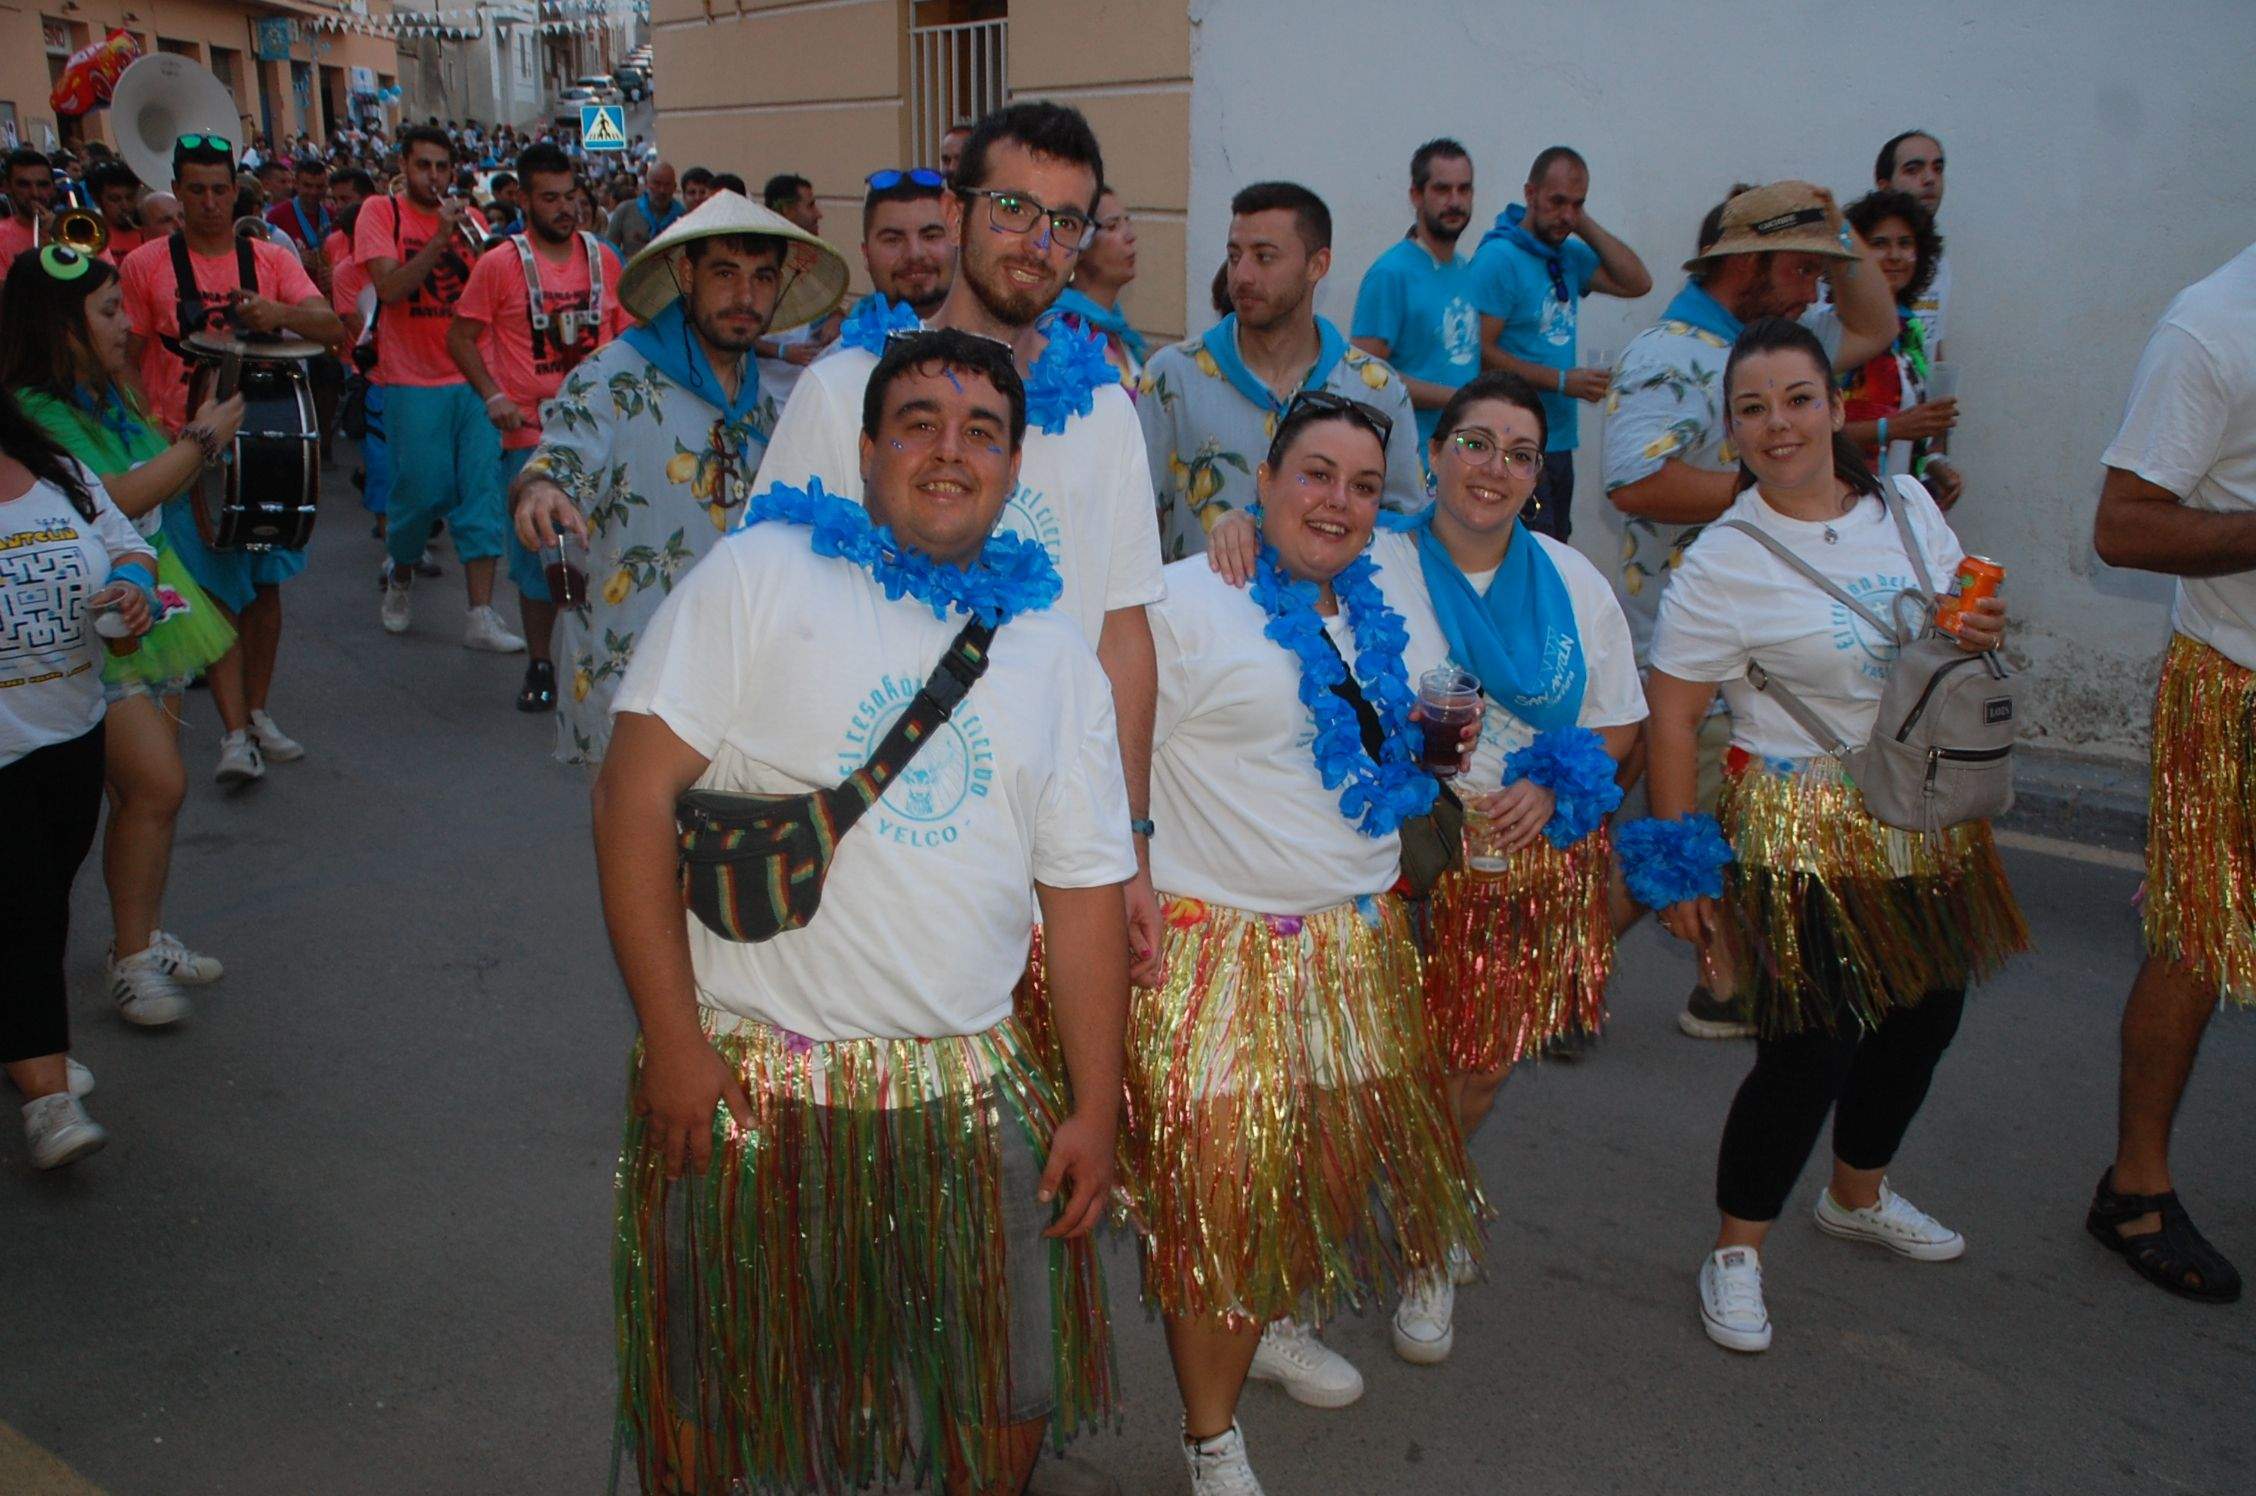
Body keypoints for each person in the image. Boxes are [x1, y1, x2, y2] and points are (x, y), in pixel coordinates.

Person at [598, 329, 1130, 1495]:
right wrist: (676, 1043)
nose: (951, 450)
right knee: (707, 1406)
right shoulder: (760, 577)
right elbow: (634, 797)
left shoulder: (1051, 656)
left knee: (1002, 1412)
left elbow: (1084, 895)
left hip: (967, 1094)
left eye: (983, 430)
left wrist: (1095, 1101)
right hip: (745, 1086)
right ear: (867, 447)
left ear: (1013, 465)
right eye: (922, 422)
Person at [1640, 316, 2025, 1353]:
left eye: (1797, 399)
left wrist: (1975, 626)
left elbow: (1950, 627)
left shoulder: (1903, 506)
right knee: (1807, 1047)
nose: (1779, 424)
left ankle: (1856, 1192)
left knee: (1926, 1013)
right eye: (1753, 408)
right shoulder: (1721, 560)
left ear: (1837, 407)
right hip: (1799, 825)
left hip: (1923, 809)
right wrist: (1682, 870)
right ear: (1733, 430)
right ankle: (1736, 1248)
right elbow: (1673, 716)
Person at [753, 100, 1167, 1053]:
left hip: (1051, 847)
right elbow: (773, 609)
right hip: (888, 854)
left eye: (1067, 221)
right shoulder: (844, 389)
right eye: (1015, 207)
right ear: (957, 204)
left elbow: (1122, 636)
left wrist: (1132, 845)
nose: (1039, 242)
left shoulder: (1104, 416)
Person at [1130, 391, 1483, 1493]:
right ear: (1267, 479)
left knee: (1324, 1177)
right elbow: (1107, 772)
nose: (1337, 500)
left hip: (1357, 944)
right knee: (1223, 1203)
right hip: (1216, 949)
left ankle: (1273, 1322)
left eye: (1364, 484)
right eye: (1316, 473)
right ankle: (1208, 1431)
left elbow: (1420, 753)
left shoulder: (1389, 607)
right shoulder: (1186, 600)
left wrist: (1450, 762)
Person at [1378, 371, 1644, 1359]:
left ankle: (1424, 1226)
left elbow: (1619, 716)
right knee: (1376, 1063)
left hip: (1520, 855)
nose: (1494, 467)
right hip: (1392, 849)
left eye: (1519, 452)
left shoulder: (1574, 581)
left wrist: (1551, 779)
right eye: (1476, 442)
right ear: (1436, 452)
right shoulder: (1377, 556)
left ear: (1538, 474)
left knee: (1478, 1064)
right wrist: (1236, 533)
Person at [1603, 181, 1896, 1040]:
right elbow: (1634, 480)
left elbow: (1874, 326)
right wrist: (1778, 476)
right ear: (1745, 265)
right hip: (1700, 657)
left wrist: (1834, 225)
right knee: (1675, 841)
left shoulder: (1772, 349)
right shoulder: (1671, 352)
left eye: (1822, 270)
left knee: (1707, 843)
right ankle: (1547, 991)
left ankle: (1725, 985)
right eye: (1803, 268)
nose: (1818, 288)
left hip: (1767, 658)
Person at [511, 190, 846, 764]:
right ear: (686, 274)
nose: (745, 296)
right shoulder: (612, 380)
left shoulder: (764, 407)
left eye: (763, 278)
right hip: (631, 693)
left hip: (733, 699)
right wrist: (541, 493)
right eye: (725, 273)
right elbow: (555, 467)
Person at [1, 245, 242, 1027]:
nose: (125, 322)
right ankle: (128, 963)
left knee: (144, 796)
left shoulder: (108, 392)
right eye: (106, 311)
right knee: (156, 785)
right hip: (88, 625)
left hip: (147, 603)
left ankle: (135, 941)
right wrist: (200, 443)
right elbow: (107, 498)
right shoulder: (32, 412)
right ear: (58, 324)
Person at [2086, 241, 2256, 1305]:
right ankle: (2134, 1185)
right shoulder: (2215, 325)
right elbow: (2123, 524)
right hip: (2236, 687)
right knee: (2200, 933)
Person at [118, 131, 342, 785]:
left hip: (264, 445)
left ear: (234, 192)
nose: (211, 203)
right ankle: (234, 733)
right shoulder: (145, 265)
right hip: (184, 447)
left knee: (264, 587)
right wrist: (148, 435)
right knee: (212, 589)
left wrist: (279, 312)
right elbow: (127, 359)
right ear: (177, 192)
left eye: (221, 190)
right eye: (197, 190)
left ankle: (258, 710)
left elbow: (331, 326)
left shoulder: (267, 258)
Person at [0, 377, 155, 1169]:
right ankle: (46, 1095)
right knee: (23, 910)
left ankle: (23, 1035)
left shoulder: (53, 466)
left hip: (70, 730)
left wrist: (130, 587)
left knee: (45, 899)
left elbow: (127, 542)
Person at [1141, 181, 1422, 563]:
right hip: (1198, 620)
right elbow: (1135, 526)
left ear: (1317, 265)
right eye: (1235, 255)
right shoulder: (1171, 378)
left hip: (1331, 620)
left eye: (1265, 257)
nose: (1241, 276)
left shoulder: (1377, 389)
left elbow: (1406, 533)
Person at [449, 142, 629, 715]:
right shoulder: (499, 264)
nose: (564, 208)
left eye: (571, 195)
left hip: (602, 428)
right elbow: (459, 337)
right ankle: (541, 662)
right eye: (549, 198)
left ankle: (601, 659)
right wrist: (494, 394)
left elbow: (627, 338)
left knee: (603, 548)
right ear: (522, 199)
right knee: (538, 558)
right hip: (530, 435)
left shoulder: (605, 259)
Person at [356, 124, 521, 649]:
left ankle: (480, 615)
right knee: (421, 493)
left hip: (471, 373)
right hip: (411, 377)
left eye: (442, 167)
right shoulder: (381, 214)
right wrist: (440, 238)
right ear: (404, 166)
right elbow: (391, 288)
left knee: (480, 495)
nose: (433, 177)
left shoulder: (471, 220)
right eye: (423, 165)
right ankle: (400, 572)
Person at [1469, 145, 1654, 540]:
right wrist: (1560, 381)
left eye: (1577, 204)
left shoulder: (1566, 254)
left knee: (1555, 554)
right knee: (1523, 559)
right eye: (1556, 201)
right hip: (1509, 440)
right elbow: (1480, 352)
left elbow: (1637, 282)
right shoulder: (1499, 258)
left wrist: (1580, 223)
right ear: (1530, 194)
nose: (1566, 214)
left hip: (1557, 440)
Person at [1351, 138, 1481, 449]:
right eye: (1442, 189)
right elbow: (1364, 376)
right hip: (1409, 458)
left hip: (1462, 454)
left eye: (1464, 189)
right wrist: (1460, 399)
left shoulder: (1466, 270)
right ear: (1415, 195)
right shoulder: (1390, 274)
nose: (1455, 201)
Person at [1836, 190, 1962, 499]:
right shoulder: (1838, 328)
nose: (1894, 255)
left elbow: (1911, 428)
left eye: (1905, 244)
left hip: (1897, 508)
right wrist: (1889, 430)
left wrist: (1934, 465)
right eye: (1879, 244)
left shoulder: (1911, 329)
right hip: (1847, 502)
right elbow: (1812, 433)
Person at [752, 172, 835, 406]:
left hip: (801, 396)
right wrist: (781, 352)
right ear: (787, 211)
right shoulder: (757, 262)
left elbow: (827, 304)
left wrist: (837, 318)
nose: (818, 214)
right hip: (765, 399)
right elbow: (738, 336)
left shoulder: (808, 259)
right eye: (810, 205)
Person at [1052, 184, 1141, 388]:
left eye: (1128, 222)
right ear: (1079, 245)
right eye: (1112, 226)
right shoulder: (1060, 335)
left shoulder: (1118, 331)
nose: (1130, 236)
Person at [844, 166, 954, 326]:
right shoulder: (844, 350)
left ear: (958, 240)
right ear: (866, 254)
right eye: (893, 240)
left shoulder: (1000, 344)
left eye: (930, 236)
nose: (914, 254)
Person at [1874, 130, 1950, 356]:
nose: (1929, 179)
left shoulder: (1939, 260)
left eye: (1937, 168)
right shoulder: (1857, 253)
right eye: (1913, 170)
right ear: (1884, 186)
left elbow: (1932, 343)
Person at [602, 159, 680, 258]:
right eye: (657, 183)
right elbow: (609, 252)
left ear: (674, 187)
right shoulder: (625, 211)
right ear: (646, 184)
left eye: (667, 185)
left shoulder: (683, 216)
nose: (662, 190)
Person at [0, 149, 56, 275]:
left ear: (53, 188)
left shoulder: (77, 229)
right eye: (24, 185)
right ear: (7, 187)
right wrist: (40, 255)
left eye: (43, 185)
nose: (35, 194)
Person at [265, 156, 332, 258]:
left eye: (319, 186)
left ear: (326, 187)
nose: (313, 192)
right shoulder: (276, 216)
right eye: (307, 185)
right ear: (296, 184)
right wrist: (295, 259)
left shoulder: (333, 215)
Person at [86, 161, 146, 263]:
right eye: (114, 199)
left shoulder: (149, 229)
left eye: (130, 197)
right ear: (96, 199)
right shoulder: (90, 237)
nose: (125, 206)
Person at [484, 171, 521, 235]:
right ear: (496, 194)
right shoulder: (484, 214)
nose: (514, 198)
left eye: (516, 193)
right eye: (509, 193)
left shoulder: (522, 215)